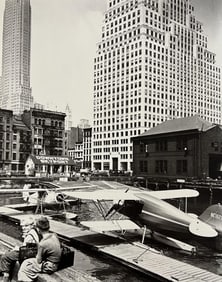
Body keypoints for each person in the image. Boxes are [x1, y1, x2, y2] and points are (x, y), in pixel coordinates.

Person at [18, 216, 61, 282]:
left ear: (38, 229)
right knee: (27, 262)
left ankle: (25, 280)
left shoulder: (43, 243)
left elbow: (38, 260)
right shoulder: (54, 235)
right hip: (57, 263)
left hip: (49, 267)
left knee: (25, 266)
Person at [0, 216, 42, 282]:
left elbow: (26, 249)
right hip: (31, 252)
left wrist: (17, 249)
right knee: (9, 254)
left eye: (26, 226)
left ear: (31, 225)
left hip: (28, 254)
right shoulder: (34, 231)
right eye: (22, 226)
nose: (23, 228)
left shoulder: (30, 236)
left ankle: (6, 276)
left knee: (5, 257)